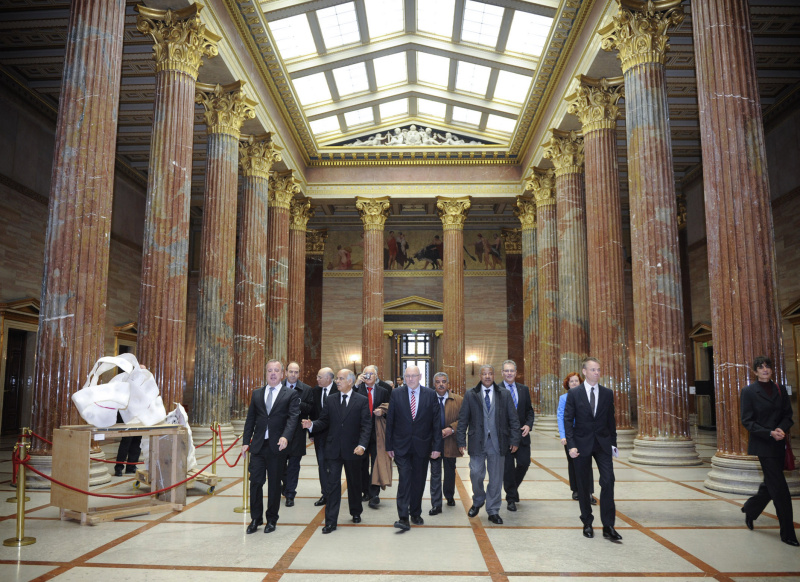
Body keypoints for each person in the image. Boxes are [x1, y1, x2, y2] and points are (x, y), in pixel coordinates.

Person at [303, 369, 371, 534]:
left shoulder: (361, 401)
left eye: (341, 379)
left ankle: (355, 511)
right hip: (333, 449)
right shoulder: (331, 399)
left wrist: (362, 445)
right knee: (332, 486)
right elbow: (324, 421)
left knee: (354, 483)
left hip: (353, 450)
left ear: (350, 381)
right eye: (337, 378)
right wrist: (311, 425)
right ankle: (330, 521)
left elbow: (366, 426)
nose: (337, 381)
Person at [740, 355, 798, 546]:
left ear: (771, 370)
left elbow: (788, 415)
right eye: (760, 367)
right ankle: (788, 533)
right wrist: (769, 432)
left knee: (771, 484)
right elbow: (747, 421)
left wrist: (781, 428)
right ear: (755, 371)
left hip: (779, 443)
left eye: (767, 366)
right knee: (780, 490)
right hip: (763, 445)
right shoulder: (748, 392)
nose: (765, 369)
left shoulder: (780, 389)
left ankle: (751, 508)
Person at [564, 357, 621, 541]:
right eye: (593, 369)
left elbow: (611, 422)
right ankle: (587, 522)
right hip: (581, 444)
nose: (597, 372)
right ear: (584, 372)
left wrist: (614, 446)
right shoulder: (574, 394)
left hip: (603, 444)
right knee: (583, 485)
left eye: (598, 369)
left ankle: (608, 525)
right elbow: (567, 420)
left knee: (608, 480)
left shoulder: (607, 393)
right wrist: (571, 445)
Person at [241, 359, 300, 534]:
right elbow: (250, 419)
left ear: (282, 374)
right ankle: (256, 519)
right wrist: (245, 442)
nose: (273, 373)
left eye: (276, 370)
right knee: (256, 482)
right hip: (258, 446)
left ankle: (271, 519)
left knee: (274, 485)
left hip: (277, 447)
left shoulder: (290, 395)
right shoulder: (257, 394)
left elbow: (292, 419)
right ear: (265, 373)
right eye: (269, 371)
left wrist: (285, 437)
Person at [457, 364, 520, 524]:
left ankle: (493, 510)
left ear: (494, 375)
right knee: (475, 473)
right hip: (477, 441)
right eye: (484, 374)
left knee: (496, 479)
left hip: (498, 442)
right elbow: (463, 419)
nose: (487, 376)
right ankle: (478, 500)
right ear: (479, 376)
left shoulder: (504, 395)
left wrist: (514, 439)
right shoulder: (471, 394)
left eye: (490, 374)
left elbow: (513, 419)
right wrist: (460, 440)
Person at [385, 365, 442, 531]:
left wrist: (437, 446)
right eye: (407, 376)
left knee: (418, 481)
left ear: (420, 377)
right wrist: (389, 445)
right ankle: (403, 517)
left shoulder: (430, 394)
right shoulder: (396, 393)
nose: (410, 379)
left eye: (414, 376)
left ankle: (415, 512)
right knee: (404, 480)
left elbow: (436, 423)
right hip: (401, 446)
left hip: (422, 446)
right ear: (404, 377)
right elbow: (390, 421)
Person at [500, 360, 535, 511]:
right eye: (506, 371)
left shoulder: (523, 389)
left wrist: (528, 424)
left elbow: (529, 411)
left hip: (522, 435)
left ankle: (512, 488)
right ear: (502, 373)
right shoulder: (496, 389)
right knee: (507, 468)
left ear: (516, 373)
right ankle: (511, 498)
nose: (509, 373)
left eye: (512, 371)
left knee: (524, 463)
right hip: (504, 437)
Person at [354, 365, 390, 508]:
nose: (368, 376)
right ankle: (365, 491)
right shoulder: (358, 389)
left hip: (377, 433)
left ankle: (374, 493)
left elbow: (390, 407)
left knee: (376, 462)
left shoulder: (383, 391)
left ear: (376, 377)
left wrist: (383, 412)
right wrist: (356, 384)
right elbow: (348, 399)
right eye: (366, 374)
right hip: (360, 432)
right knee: (361, 463)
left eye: (371, 374)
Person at [557, 372, 596, 504]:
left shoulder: (586, 396)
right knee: (573, 462)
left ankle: (589, 492)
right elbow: (561, 418)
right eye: (571, 381)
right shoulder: (563, 398)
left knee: (587, 462)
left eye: (576, 381)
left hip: (585, 434)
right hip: (570, 434)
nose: (574, 383)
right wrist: (563, 436)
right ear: (567, 384)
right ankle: (576, 489)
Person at [428, 372, 463, 515]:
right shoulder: (428, 399)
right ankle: (436, 504)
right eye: (437, 382)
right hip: (433, 442)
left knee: (449, 471)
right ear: (434, 384)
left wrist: (451, 429)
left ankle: (449, 495)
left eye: (443, 381)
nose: (441, 384)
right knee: (435, 472)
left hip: (451, 441)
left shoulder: (459, 400)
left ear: (448, 384)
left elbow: (464, 419)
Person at [281, 361, 313, 507]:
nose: (293, 374)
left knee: (294, 464)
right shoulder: (278, 386)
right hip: (280, 432)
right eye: (291, 371)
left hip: (298, 433)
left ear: (299, 374)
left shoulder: (306, 389)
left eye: (296, 372)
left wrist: (296, 403)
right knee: (280, 464)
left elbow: (311, 409)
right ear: (286, 372)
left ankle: (290, 493)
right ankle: (286, 485)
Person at [309, 368, 335, 507]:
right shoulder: (315, 391)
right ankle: (325, 494)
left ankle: (334, 493)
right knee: (322, 465)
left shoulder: (339, 390)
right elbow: (313, 413)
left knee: (334, 465)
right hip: (319, 435)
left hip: (336, 436)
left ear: (329, 378)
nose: (317, 379)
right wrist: (312, 433)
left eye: (320, 377)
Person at [113, 411, 142, 477]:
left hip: (137, 415)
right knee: (126, 441)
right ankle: (119, 467)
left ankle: (131, 466)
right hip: (126, 415)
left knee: (137, 441)